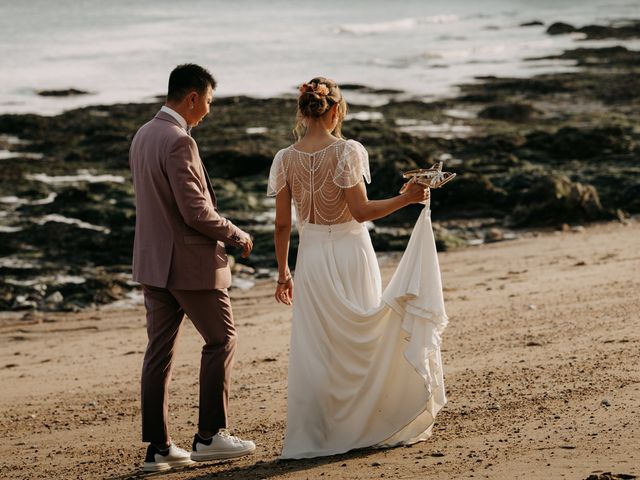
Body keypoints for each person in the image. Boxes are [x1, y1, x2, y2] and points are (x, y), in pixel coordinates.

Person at [268, 77, 449, 459]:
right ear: (336, 111)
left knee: (320, 348)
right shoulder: (348, 151)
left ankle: (319, 432)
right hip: (351, 251)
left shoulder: (285, 158)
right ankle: (367, 423)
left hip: (311, 258)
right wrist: (408, 198)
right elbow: (361, 211)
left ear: (303, 113)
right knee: (362, 337)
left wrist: (283, 271)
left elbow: (283, 225)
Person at [129, 63, 256, 472]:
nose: (208, 111)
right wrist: (236, 235)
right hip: (189, 264)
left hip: (153, 264)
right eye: (209, 103)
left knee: (159, 354)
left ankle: (159, 449)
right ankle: (209, 436)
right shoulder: (179, 141)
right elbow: (195, 211)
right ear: (192, 98)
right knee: (221, 340)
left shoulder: (143, 135)